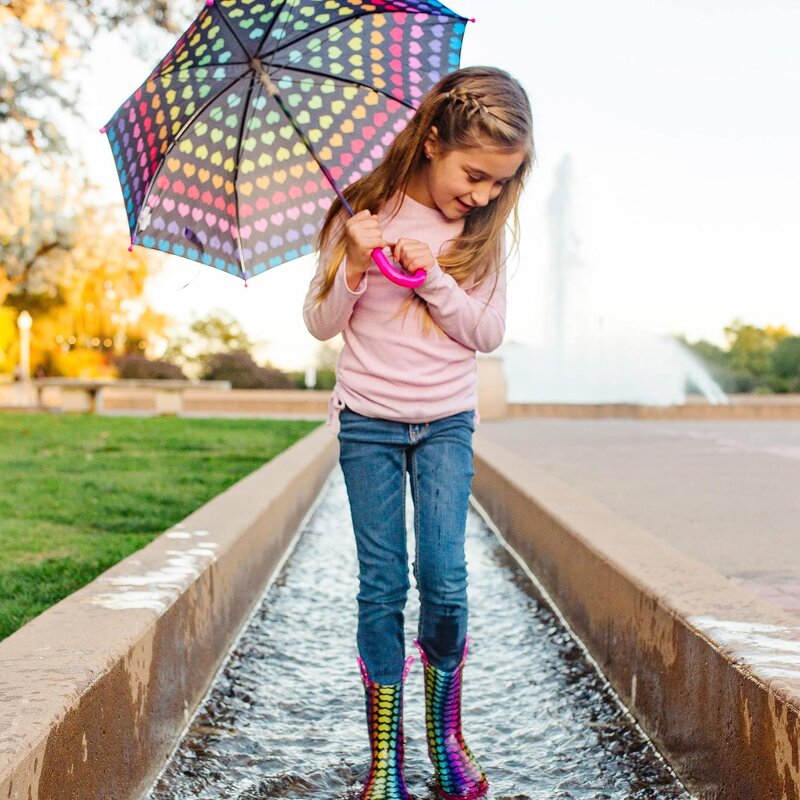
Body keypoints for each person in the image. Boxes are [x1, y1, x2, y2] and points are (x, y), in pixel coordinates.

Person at [303, 66, 534, 800]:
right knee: (381, 584)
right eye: (475, 174)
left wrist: (434, 276)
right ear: (432, 142)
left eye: (501, 182)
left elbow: (486, 332)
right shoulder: (360, 211)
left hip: (444, 426)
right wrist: (352, 260)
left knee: (443, 575)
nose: (484, 193)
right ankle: (385, 761)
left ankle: (445, 734)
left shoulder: (481, 233)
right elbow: (319, 324)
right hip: (367, 424)